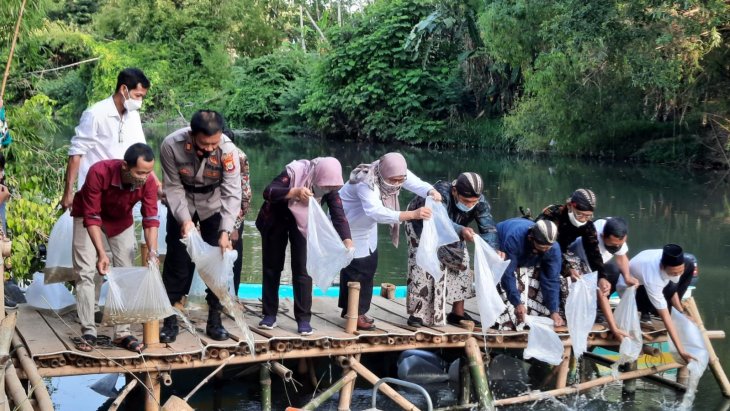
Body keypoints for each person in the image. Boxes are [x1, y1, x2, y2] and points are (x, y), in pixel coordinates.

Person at [159, 110, 241, 343]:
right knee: (176, 260)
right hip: (182, 200)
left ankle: (214, 319)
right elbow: (173, 187)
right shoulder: (170, 145)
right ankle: (170, 318)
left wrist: (225, 230)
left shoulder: (228, 151)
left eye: (214, 143)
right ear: (192, 135)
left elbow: (232, 192)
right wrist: (185, 221)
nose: (209, 148)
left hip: (213, 204)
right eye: (205, 144)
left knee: (218, 260)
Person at [70, 143, 159, 352]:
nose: (144, 177)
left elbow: (151, 220)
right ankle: (89, 330)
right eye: (140, 172)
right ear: (125, 167)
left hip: (121, 221)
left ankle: (122, 333)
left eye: (148, 172)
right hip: (88, 218)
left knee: (126, 272)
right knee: (86, 272)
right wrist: (101, 254)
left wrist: (153, 252)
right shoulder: (99, 172)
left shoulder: (148, 182)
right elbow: (91, 217)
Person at [338, 152, 441, 330]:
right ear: (383, 174)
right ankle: (353, 312)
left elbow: (415, 183)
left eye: (400, 180)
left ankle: (359, 310)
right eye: (393, 180)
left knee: (369, 266)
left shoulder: (393, 171)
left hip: (367, 227)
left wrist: (431, 190)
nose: (397, 184)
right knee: (355, 270)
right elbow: (376, 211)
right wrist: (412, 215)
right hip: (349, 226)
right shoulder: (366, 181)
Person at [256, 157, 353, 335]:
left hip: (303, 224)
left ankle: (303, 319)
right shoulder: (294, 172)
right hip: (276, 219)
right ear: (317, 176)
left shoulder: (329, 186)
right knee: (272, 267)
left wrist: (347, 239)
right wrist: (294, 192)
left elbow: (339, 215)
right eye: (325, 186)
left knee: (303, 269)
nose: (327, 190)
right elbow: (268, 191)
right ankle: (269, 314)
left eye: (332, 187)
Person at [404, 172, 498, 327]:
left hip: (455, 231)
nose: (469, 205)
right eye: (466, 201)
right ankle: (417, 314)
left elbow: (488, 229)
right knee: (423, 265)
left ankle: (457, 313)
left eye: (473, 202)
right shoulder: (440, 193)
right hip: (423, 225)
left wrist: (493, 250)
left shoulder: (480, 202)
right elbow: (440, 220)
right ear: (454, 191)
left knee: (462, 263)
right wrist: (461, 231)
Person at [62, 68, 151, 209]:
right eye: (138, 95)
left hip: (122, 191)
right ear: (123, 89)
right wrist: (68, 192)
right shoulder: (95, 114)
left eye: (142, 97)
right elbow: (76, 154)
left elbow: (143, 154)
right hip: (94, 190)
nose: (140, 101)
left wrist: (156, 184)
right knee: (91, 226)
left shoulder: (133, 115)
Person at [536, 189, 614, 313]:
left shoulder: (587, 225)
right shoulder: (553, 215)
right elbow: (543, 242)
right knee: (555, 273)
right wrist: (567, 268)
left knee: (582, 273)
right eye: (580, 215)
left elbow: (593, 251)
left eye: (588, 216)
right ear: (570, 206)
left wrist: (602, 276)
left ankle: (581, 310)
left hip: (562, 252)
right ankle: (553, 310)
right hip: (542, 249)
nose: (583, 219)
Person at [616, 244, 696, 364]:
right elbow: (665, 318)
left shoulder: (667, 259)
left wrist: (680, 312)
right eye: (674, 273)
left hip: (649, 285)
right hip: (633, 293)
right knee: (670, 290)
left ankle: (671, 309)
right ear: (662, 266)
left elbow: (673, 288)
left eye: (680, 271)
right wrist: (681, 350)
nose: (678, 275)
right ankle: (647, 311)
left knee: (690, 264)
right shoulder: (653, 278)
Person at [569, 217, 637, 339]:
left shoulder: (615, 228)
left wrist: (627, 277)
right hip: (578, 263)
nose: (616, 247)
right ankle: (586, 311)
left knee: (614, 270)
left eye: (619, 244)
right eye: (612, 245)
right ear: (602, 236)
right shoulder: (591, 240)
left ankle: (598, 310)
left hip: (599, 265)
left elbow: (621, 257)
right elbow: (600, 290)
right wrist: (614, 327)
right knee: (594, 288)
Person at [496, 218, 564, 330]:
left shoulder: (553, 248)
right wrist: (517, 303)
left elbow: (551, 279)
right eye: (542, 248)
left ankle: (530, 321)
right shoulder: (515, 239)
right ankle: (504, 324)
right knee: (508, 279)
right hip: (502, 248)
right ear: (530, 238)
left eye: (548, 248)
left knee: (539, 280)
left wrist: (554, 310)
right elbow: (507, 273)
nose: (546, 251)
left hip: (529, 258)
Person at [223, 129, 252, 296]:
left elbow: (245, 192)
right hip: (211, 212)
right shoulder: (209, 154)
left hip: (233, 215)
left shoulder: (239, 157)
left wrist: (235, 225)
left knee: (234, 253)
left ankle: (232, 295)